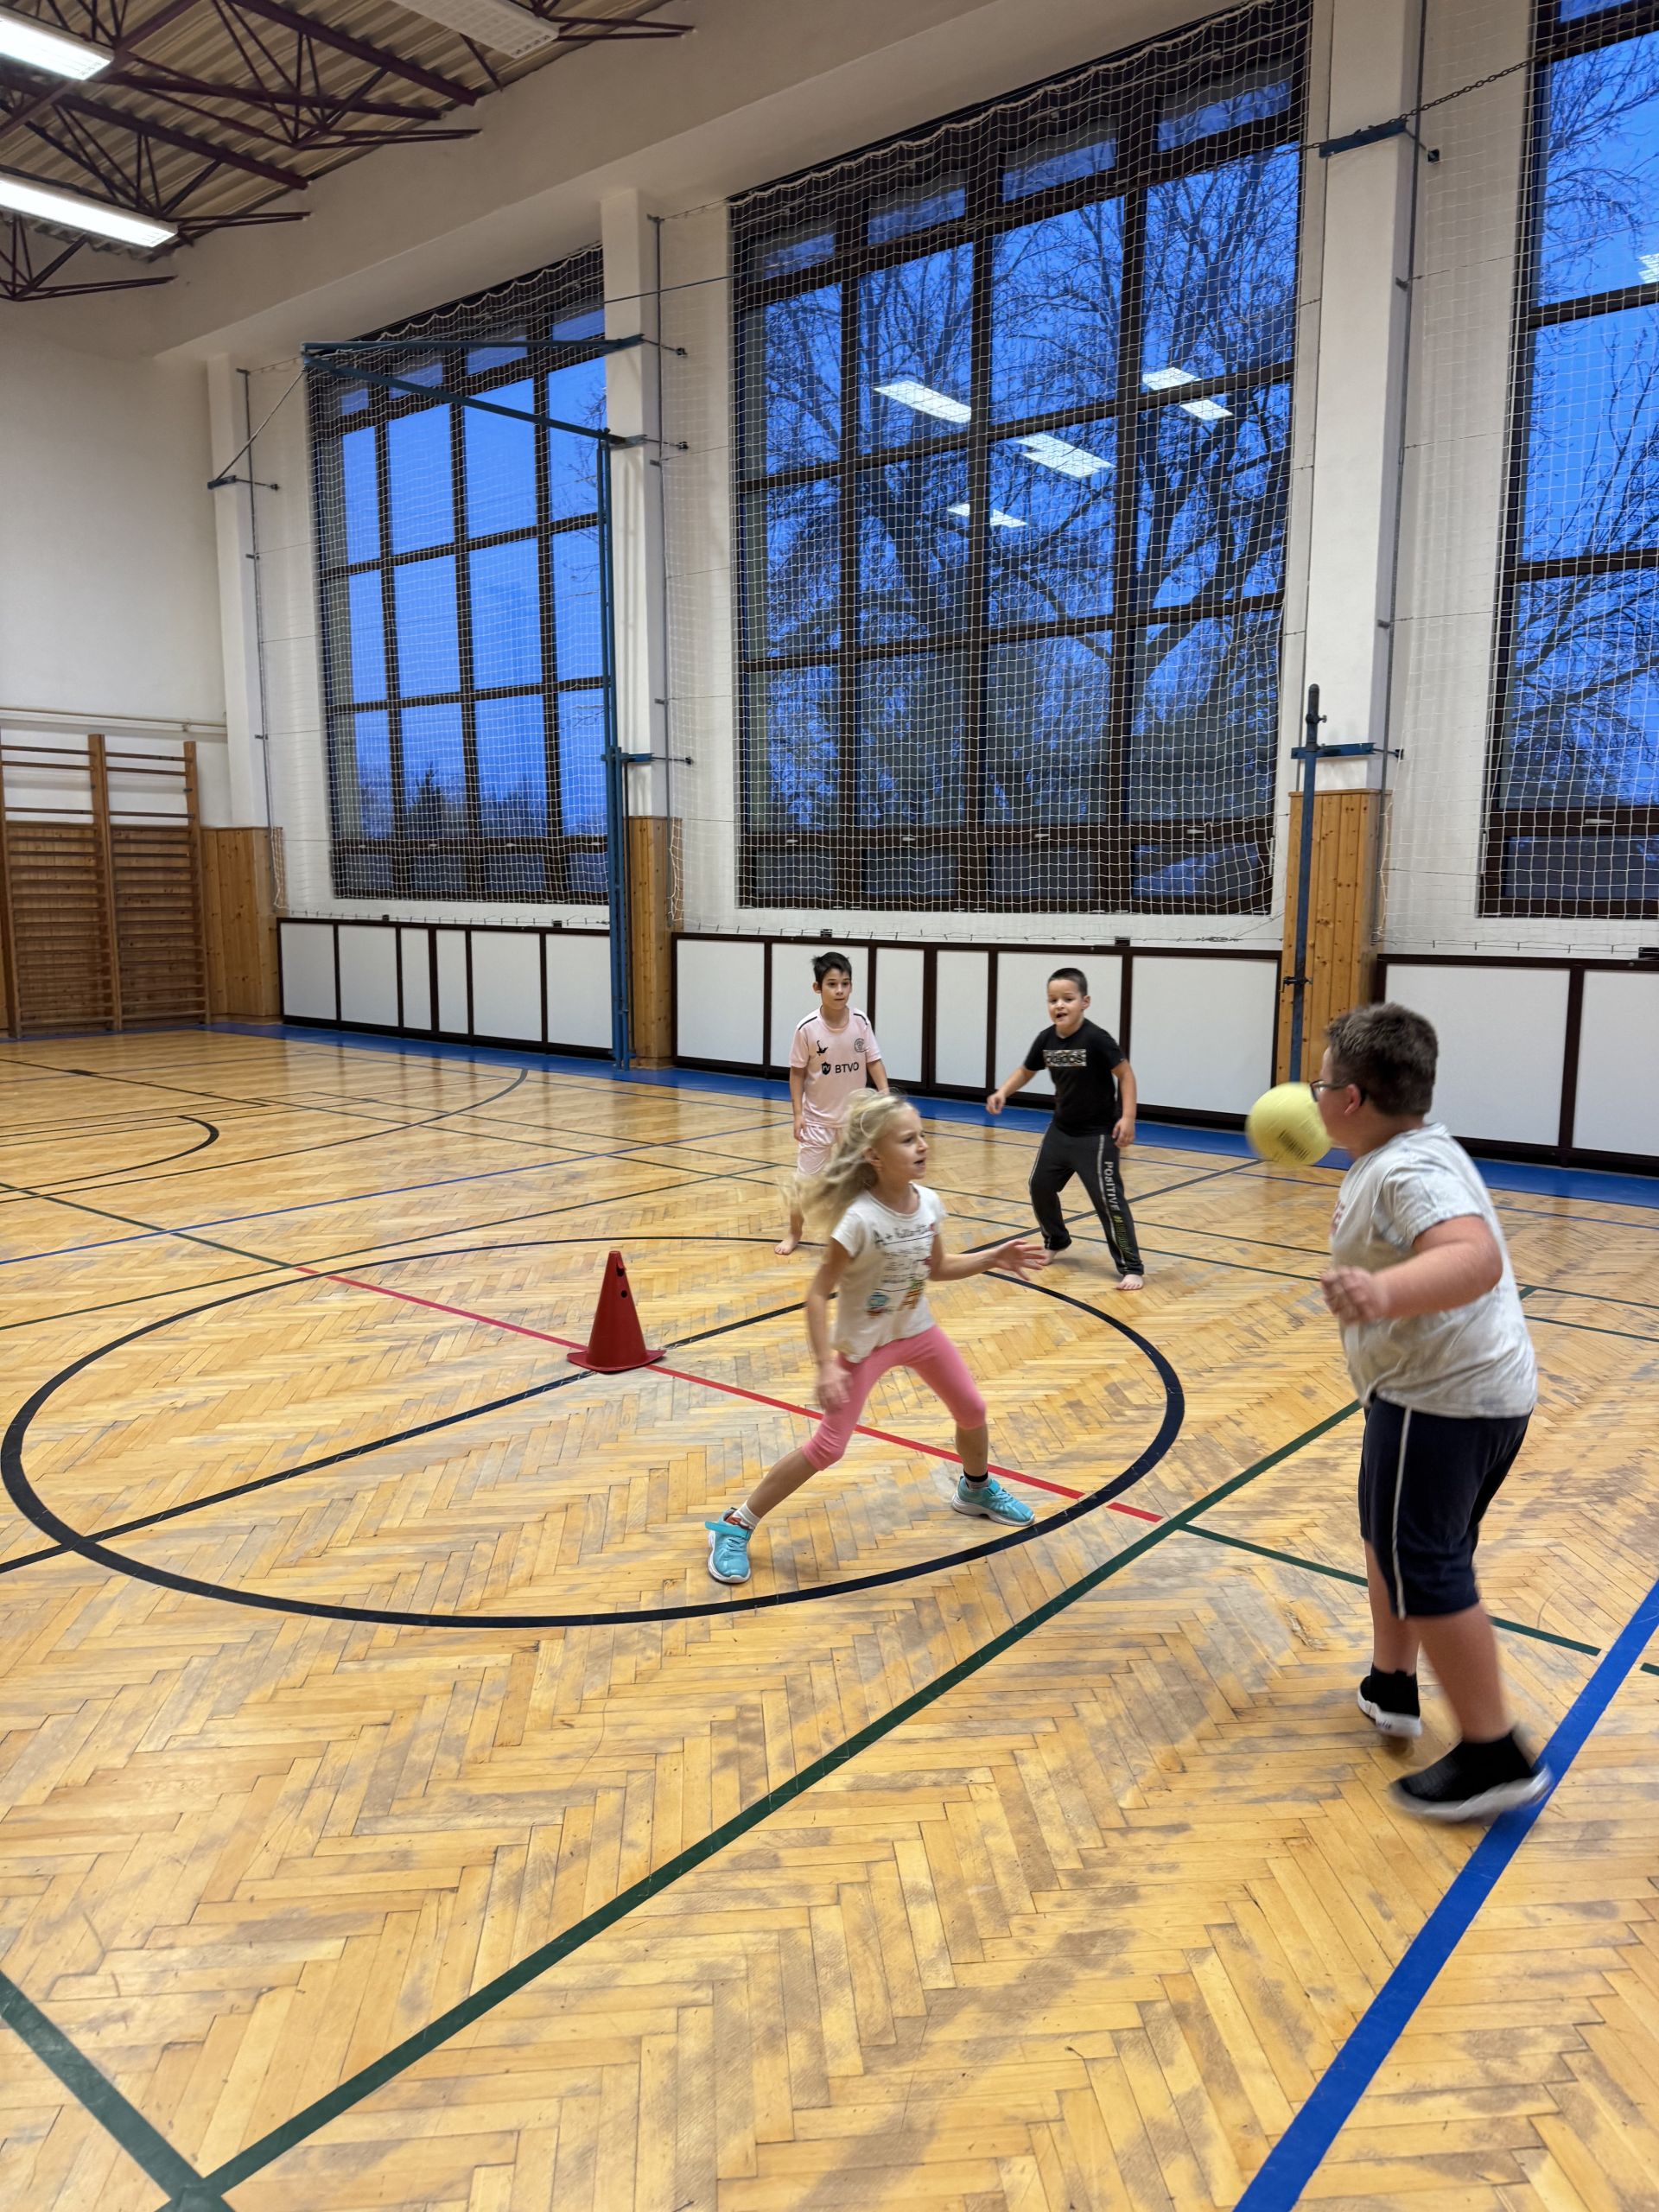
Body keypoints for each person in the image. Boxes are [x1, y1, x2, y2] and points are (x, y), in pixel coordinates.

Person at [1314, 1001, 1550, 1822]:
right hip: (1454, 1395)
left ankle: (1493, 1752)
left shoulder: (1409, 1171)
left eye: (1322, 1082)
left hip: (1441, 1401)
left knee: (1427, 1564)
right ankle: (1392, 1682)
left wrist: (1380, 1293)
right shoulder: (1402, 1151)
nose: (1315, 1094)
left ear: (1351, 1099)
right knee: (1398, 1542)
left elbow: (1473, 1257)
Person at [708, 1090, 1047, 1585]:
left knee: (972, 1409)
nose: (923, 1145)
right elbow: (816, 1293)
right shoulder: (859, 1220)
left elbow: (938, 1267)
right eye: (908, 1140)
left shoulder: (928, 1204)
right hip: (862, 1348)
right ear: (874, 1155)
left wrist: (992, 1258)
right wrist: (825, 1365)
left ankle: (975, 1488)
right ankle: (736, 1523)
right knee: (828, 1448)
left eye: (922, 1136)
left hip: (916, 1331)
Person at [986, 966, 1144, 1289]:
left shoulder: (1097, 1039)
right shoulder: (1046, 1039)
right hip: (1061, 1131)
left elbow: (1126, 1075)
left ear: (1085, 1002)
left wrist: (1128, 1117)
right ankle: (1056, 1239)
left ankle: (1132, 1266)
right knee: (1039, 1186)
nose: (1059, 1005)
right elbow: (1026, 1070)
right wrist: (1003, 1091)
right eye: (1053, 1000)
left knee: (1109, 1201)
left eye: (1067, 999)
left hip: (1097, 1136)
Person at [776, 950, 887, 1256]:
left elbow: (873, 1060)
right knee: (804, 1183)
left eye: (845, 984)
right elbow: (797, 1073)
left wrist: (884, 1093)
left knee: (864, 1181)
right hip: (817, 1121)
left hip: (854, 1122)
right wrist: (798, 1114)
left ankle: (865, 1234)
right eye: (832, 984)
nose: (840, 990)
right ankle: (794, 1232)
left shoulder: (861, 1022)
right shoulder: (807, 1028)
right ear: (818, 988)